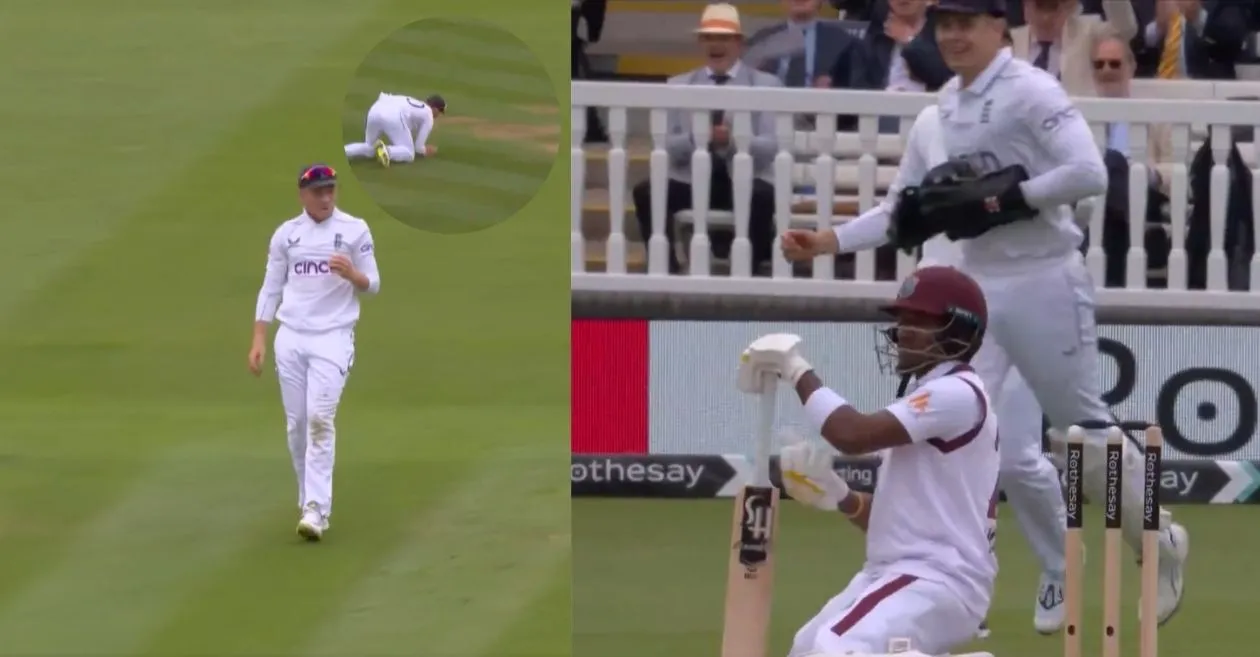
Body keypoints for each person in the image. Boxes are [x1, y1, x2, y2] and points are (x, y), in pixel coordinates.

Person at [778, 0, 1189, 633]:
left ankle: (1159, 540)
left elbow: (1087, 172)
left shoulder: (1030, 89)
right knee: (939, 423)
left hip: (1046, 275)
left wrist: (1009, 196)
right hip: (979, 286)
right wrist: (830, 241)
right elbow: (903, 213)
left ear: (1001, 28)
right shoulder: (944, 106)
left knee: (1082, 429)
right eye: (944, 24)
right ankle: (944, 585)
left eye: (967, 23)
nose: (954, 35)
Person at [737, 266, 999, 656]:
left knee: (837, 649)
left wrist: (796, 369)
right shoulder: (930, 397)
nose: (901, 331)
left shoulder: (956, 393)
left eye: (917, 320)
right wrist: (840, 494)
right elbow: (906, 522)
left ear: (957, 330)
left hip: (940, 578)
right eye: (901, 320)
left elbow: (851, 435)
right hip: (899, 572)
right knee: (806, 649)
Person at [248, 163, 382, 541]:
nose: (326, 197)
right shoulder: (286, 236)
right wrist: (259, 338)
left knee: (320, 418)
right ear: (303, 195)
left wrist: (353, 275)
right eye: (318, 192)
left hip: (333, 338)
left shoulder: (355, 230)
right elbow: (271, 288)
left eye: (331, 190)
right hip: (291, 338)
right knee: (297, 425)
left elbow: (374, 285)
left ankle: (317, 510)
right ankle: (308, 499)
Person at [344, 92, 445, 167]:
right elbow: (418, 148)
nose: (439, 115)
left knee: (369, 147)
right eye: (440, 111)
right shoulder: (428, 115)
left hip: (375, 108)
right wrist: (426, 151)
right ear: (435, 109)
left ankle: (344, 151)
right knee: (409, 153)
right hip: (393, 115)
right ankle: (386, 150)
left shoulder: (414, 103)